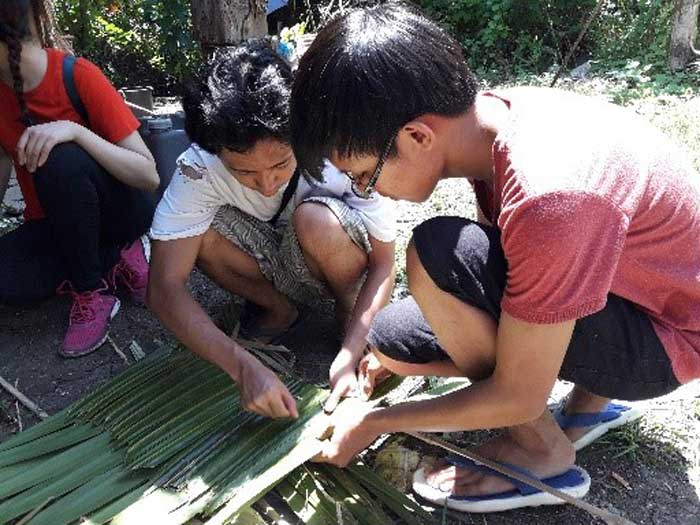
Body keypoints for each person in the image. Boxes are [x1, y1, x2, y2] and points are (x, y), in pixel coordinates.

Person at [289, 1, 700, 513]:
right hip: (631, 292)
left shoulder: (547, 192)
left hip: (668, 340)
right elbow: (524, 263)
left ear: (418, 135)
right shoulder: (493, 121)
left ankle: (544, 452)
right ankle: (585, 409)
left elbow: (521, 395)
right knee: (394, 339)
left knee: (435, 253)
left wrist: (376, 422)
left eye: (362, 176)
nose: (364, 191)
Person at [147, 41, 396, 421]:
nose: (266, 183)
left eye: (281, 164)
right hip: (271, 258)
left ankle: (350, 318)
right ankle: (279, 309)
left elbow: (383, 263)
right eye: (244, 171)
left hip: (326, 251)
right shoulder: (199, 167)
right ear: (215, 151)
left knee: (315, 221)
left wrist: (349, 354)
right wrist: (241, 365)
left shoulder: (338, 148)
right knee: (195, 233)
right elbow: (164, 287)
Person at [0, 0, 158, 357]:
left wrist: (74, 131)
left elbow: (148, 175)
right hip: (58, 225)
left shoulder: (77, 74)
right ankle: (111, 260)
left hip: (120, 212)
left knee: (58, 158)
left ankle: (93, 291)